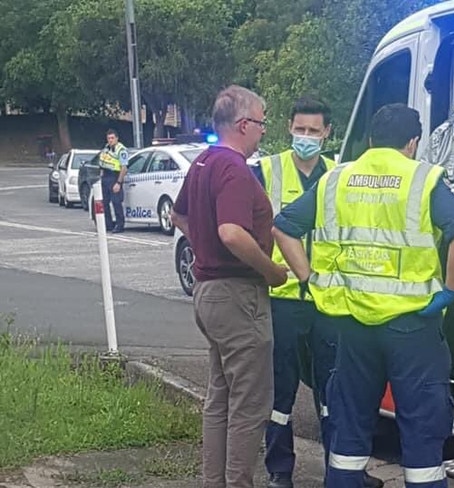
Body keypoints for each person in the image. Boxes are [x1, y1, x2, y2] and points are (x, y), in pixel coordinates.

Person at [271, 103, 454, 488]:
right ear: (412, 142)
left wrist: (310, 278)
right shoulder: (423, 179)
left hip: (352, 326)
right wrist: (449, 291)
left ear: (369, 140)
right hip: (413, 328)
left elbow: (283, 228)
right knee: (421, 432)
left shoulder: (337, 179)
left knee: (349, 427)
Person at [249, 96, 384, 488]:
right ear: (288, 127)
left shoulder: (341, 176)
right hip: (284, 299)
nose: (305, 136)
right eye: (299, 129)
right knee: (281, 393)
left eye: (314, 130)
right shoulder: (265, 171)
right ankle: (280, 472)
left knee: (335, 392)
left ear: (328, 133)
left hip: (329, 301)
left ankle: (341, 471)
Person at [170, 85, 288, 488]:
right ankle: (239, 482)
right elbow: (232, 233)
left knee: (220, 397)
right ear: (243, 125)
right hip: (238, 295)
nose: (263, 131)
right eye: (262, 122)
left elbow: (178, 214)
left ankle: (214, 481)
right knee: (250, 404)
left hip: (208, 293)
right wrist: (270, 269)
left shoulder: (203, 162)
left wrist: (203, 248)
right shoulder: (235, 169)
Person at [98, 129, 129, 233]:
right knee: (105, 203)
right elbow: (102, 163)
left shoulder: (121, 150)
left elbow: (124, 168)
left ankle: (120, 225)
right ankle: (108, 225)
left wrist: (119, 183)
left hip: (115, 177)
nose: (110, 140)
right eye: (108, 138)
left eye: (112, 138)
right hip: (106, 177)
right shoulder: (106, 148)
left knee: (116, 202)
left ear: (116, 138)